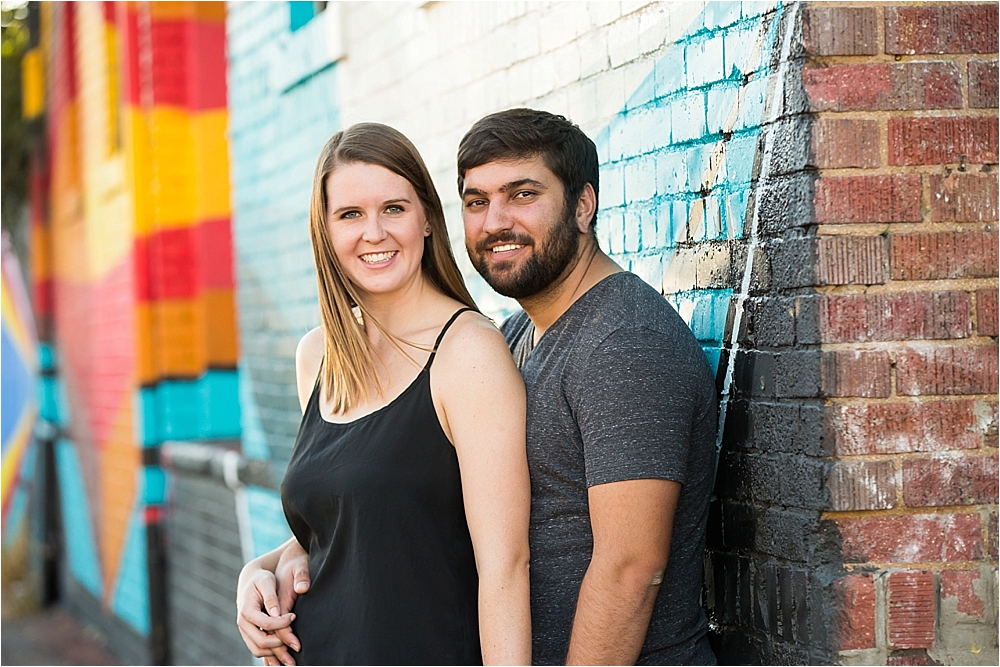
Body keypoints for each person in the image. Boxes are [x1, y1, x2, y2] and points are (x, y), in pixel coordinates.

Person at [243, 109, 718, 665]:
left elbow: (631, 567)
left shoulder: (625, 342)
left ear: (583, 205)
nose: (496, 221)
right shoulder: (521, 334)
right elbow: (401, 514)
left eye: (522, 195)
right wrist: (268, 565)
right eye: (477, 201)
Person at [235, 123, 532, 666]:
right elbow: (349, 530)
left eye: (393, 208)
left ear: (425, 220)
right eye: (350, 214)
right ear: (325, 232)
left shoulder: (467, 355)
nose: (373, 233)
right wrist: (257, 570)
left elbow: (505, 569)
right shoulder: (318, 356)